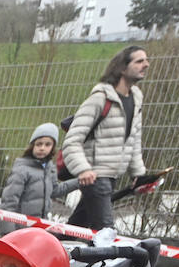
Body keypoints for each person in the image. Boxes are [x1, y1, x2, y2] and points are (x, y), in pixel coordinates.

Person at [62, 45, 148, 231]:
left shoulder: (136, 99)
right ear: (122, 68)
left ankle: (45, 251)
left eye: (146, 60)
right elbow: (72, 140)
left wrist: (138, 175)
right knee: (107, 232)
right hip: (95, 177)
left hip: (111, 177)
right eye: (139, 61)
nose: (146, 65)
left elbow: (134, 139)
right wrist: (83, 169)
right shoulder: (100, 98)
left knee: (76, 228)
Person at [1, 122, 79, 219]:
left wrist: (78, 182)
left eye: (47, 145)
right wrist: (8, 232)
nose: (42, 148)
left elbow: (54, 191)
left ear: (53, 147)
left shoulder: (50, 169)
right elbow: (9, 202)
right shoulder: (21, 170)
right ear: (32, 146)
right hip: (20, 228)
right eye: (39, 144)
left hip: (40, 226)